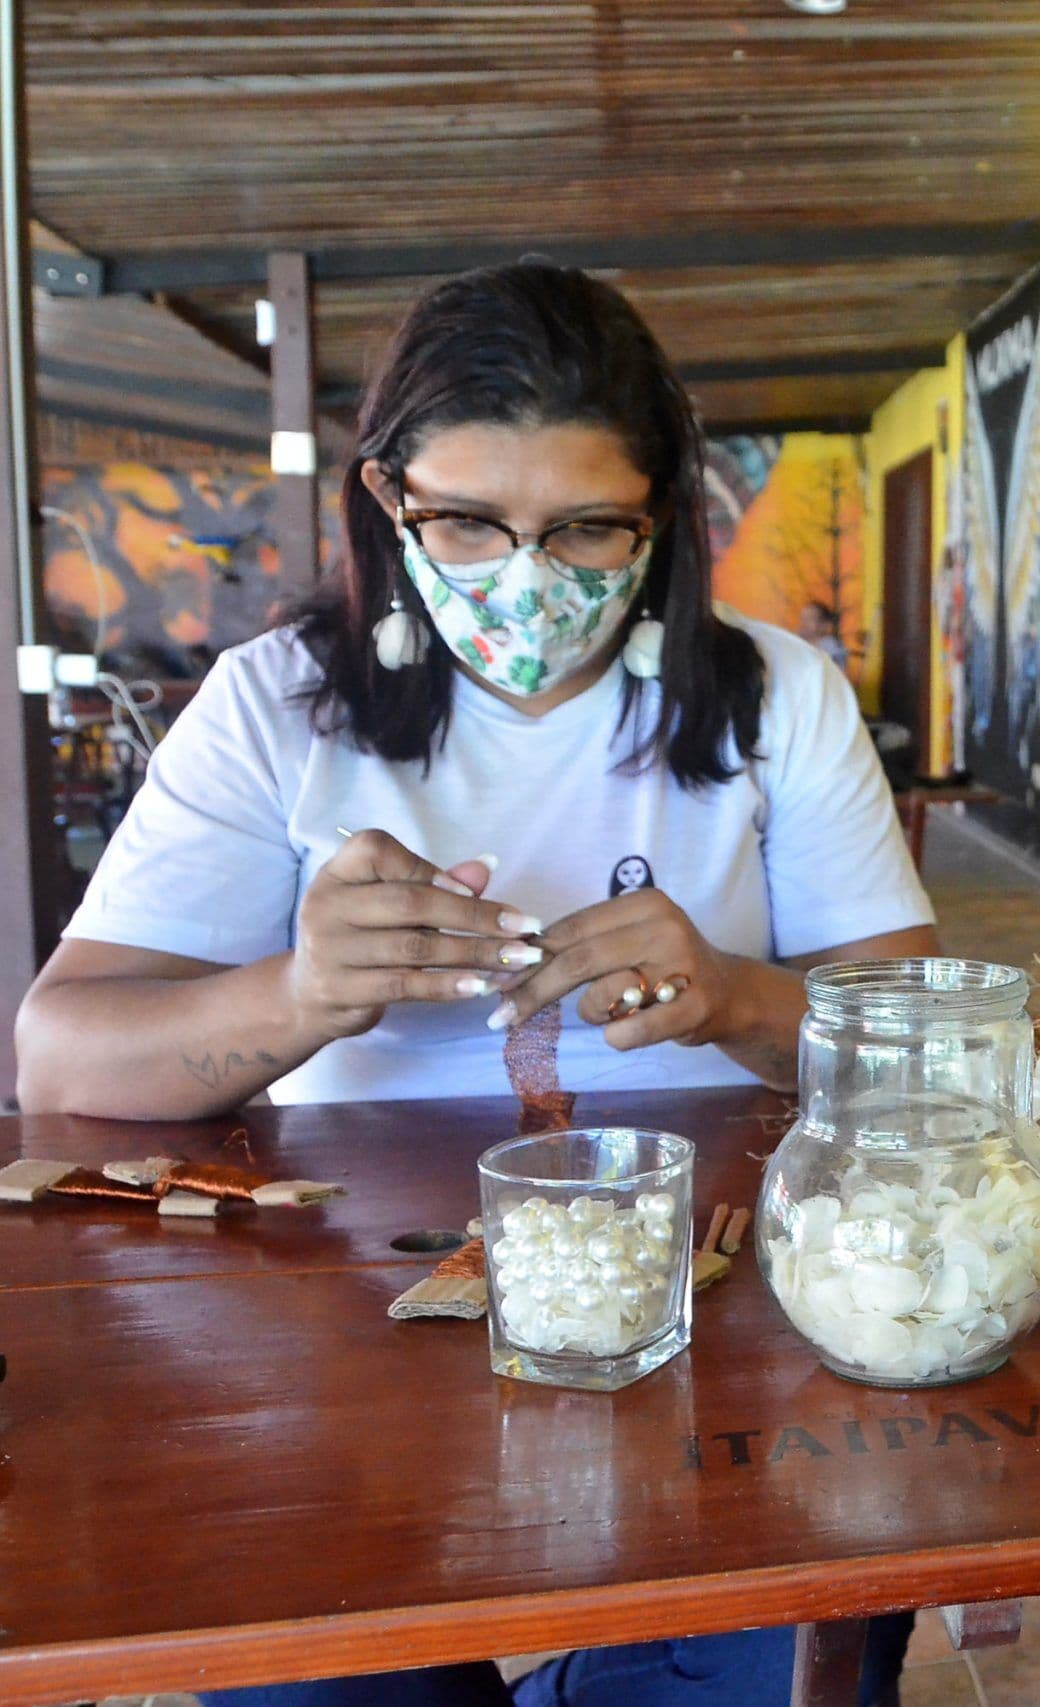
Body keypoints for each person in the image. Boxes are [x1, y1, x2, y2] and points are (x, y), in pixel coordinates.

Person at [15, 263, 937, 1705]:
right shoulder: (278, 706)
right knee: (310, 1653)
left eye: (585, 530)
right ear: (387, 498)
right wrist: (306, 992)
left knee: (798, 1627)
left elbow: (928, 1049)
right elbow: (60, 1069)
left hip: (709, 1304)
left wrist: (737, 995)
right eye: (465, 523)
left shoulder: (773, 697)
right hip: (335, 1325)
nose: (525, 579)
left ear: (664, 517)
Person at [798, 597, 852, 673]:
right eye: (802, 619)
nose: (803, 623)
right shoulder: (797, 642)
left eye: (810, 619)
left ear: (824, 625)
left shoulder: (831, 645)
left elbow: (837, 672)